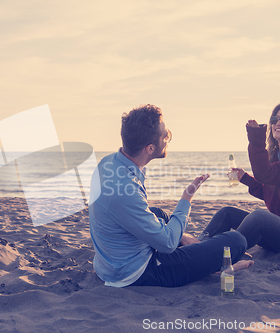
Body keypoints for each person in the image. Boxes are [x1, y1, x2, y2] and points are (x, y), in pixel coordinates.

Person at [89, 104, 252, 288]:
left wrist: (181, 237)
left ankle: (197, 249)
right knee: (237, 241)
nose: (168, 139)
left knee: (157, 213)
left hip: (110, 262)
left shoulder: (108, 163)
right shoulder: (125, 189)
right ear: (150, 148)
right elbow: (167, 244)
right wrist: (186, 198)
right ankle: (214, 265)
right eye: (166, 136)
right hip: (138, 272)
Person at [198, 98, 280, 260]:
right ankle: (197, 246)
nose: (278, 123)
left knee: (260, 217)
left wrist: (256, 139)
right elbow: (270, 192)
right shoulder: (278, 157)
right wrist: (245, 178)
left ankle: (215, 257)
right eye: (275, 119)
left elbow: (265, 174)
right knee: (227, 213)